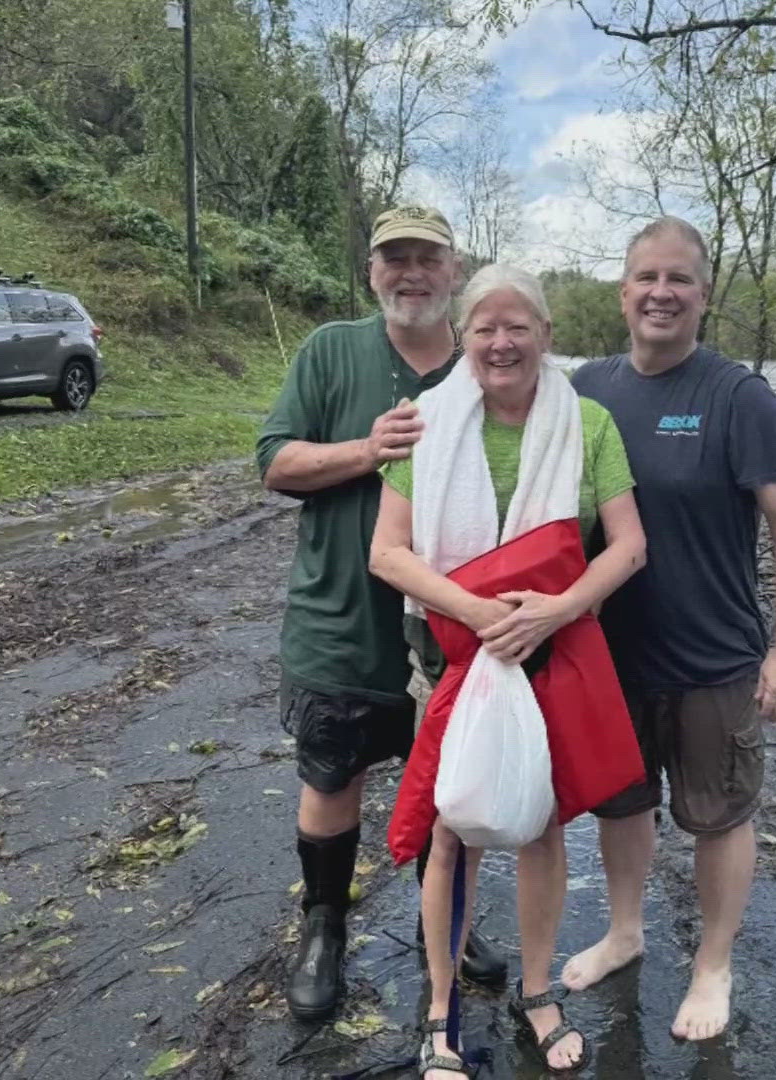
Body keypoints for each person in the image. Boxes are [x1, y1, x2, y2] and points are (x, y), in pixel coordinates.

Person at [369, 264, 648, 1077]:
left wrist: (556, 611)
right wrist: (477, 611)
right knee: (454, 825)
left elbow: (629, 544)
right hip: (462, 652)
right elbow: (387, 552)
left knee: (540, 820)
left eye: (518, 325)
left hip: (550, 653)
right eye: (485, 326)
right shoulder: (427, 421)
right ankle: (440, 1009)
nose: (501, 341)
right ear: (464, 338)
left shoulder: (587, 424)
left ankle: (535, 991)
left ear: (546, 336)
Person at [564, 216, 776, 1041]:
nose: (661, 293)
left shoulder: (736, 396)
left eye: (679, 279)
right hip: (612, 655)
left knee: (720, 815)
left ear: (704, 296)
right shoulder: (588, 388)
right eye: (647, 277)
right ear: (623, 291)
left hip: (714, 659)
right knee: (621, 802)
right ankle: (625, 930)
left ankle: (713, 964)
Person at [254, 205, 507, 1023]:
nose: (411, 273)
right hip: (339, 621)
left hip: (453, 629)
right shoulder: (331, 350)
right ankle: (323, 928)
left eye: (427, 259)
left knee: (455, 788)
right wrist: (369, 449)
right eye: (394, 259)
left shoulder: (484, 369)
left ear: (454, 270)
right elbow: (276, 462)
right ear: (371, 272)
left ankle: (453, 926)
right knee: (333, 777)